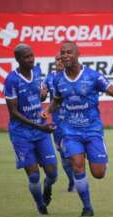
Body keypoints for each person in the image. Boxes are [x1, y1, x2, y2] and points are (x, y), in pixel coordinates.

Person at [45, 41, 113, 217]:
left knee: (98, 173)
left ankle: (101, 157)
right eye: (62, 53)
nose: (65, 55)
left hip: (92, 131)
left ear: (77, 54)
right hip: (70, 131)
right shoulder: (58, 79)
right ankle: (87, 207)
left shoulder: (93, 76)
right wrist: (47, 111)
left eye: (69, 52)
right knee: (77, 164)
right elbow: (57, 100)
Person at [3, 43, 58, 215]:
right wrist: (39, 126)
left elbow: (40, 93)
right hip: (21, 133)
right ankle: (40, 205)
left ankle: (47, 189)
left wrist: (43, 95)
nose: (31, 59)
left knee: (52, 173)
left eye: (32, 55)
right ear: (18, 59)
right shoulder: (11, 80)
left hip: (40, 131)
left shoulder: (37, 72)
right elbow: (13, 112)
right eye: (26, 57)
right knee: (34, 175)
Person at [42, 54, 75, 192]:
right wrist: (42, 94)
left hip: (74, 119)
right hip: (58, 123)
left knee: (76, 151)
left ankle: (78, 176)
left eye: (61, 60)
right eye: (57, 60)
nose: (59, 62)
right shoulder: (50, 78)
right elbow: (42, 95)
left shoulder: (74, 75)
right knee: (63, 153)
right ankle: (73, 181)